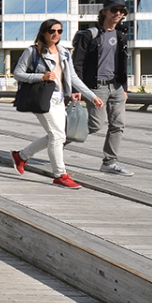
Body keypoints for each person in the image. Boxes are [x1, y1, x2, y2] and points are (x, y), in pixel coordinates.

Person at [10, 19, 103, 189]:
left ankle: (21, 156)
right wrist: (41, 77)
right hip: (42, 98)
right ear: (44, 32)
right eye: (52, 31)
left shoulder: (64, 52)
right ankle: (60, 175)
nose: (56, 34)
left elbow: (73, 77)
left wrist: (91, 96)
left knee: (58, 135)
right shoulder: (32, 51)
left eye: (60, 31)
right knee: (57, 136)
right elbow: (18, 74)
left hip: (60, 98)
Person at [72, 0, 132, 176]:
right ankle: (58, 141)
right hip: (96, 87)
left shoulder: (121, 35)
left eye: (121, 11)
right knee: (95, 125)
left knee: (118, 125)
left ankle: (109, 162)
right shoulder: (90, 35)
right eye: (114, 10)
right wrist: (77, 90)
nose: (118, 13)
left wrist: (125, 88)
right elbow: (77, 64)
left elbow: (123, 62)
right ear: (104, 11)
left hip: (117, 87)